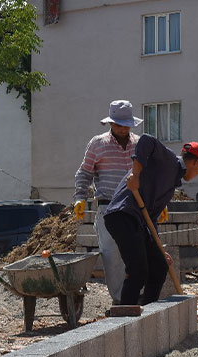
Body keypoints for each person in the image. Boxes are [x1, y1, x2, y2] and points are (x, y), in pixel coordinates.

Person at [103, 136, 198, 306]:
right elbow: (146, 141)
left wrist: (158, 247)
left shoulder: (171, 181)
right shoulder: (169, 161)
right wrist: (135, 175)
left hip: (138, 221)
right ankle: (124, 315)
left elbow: (150, 219)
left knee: (159, 264)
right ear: (197, 163)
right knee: (137, 269)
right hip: (123, 214)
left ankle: (147, 310)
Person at [74, 100, 142, 304]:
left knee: (137, 254)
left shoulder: (139, 144)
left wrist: (159, 203)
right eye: (119, 125)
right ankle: (121, 300)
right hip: (108, 207)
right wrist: (80, 198)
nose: (123, 129)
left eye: (126, 125)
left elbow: (148, 175)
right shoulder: (98, 144)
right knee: (112, 257)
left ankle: (135, 296)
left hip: (133, 206)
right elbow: (84, 172)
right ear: (111, 123)